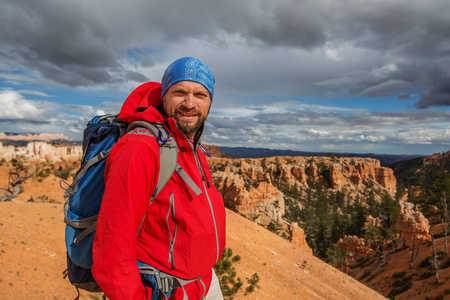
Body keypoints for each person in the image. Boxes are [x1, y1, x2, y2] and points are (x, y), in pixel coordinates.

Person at [92, 57, 226, 300]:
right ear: (164, 96)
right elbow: (112, 245)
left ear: (210, 102)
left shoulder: (189, 144)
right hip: (166, 289)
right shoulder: (141, 147)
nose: (189, 103)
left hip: (203, 282)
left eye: (200, 94)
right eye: (179, 92)